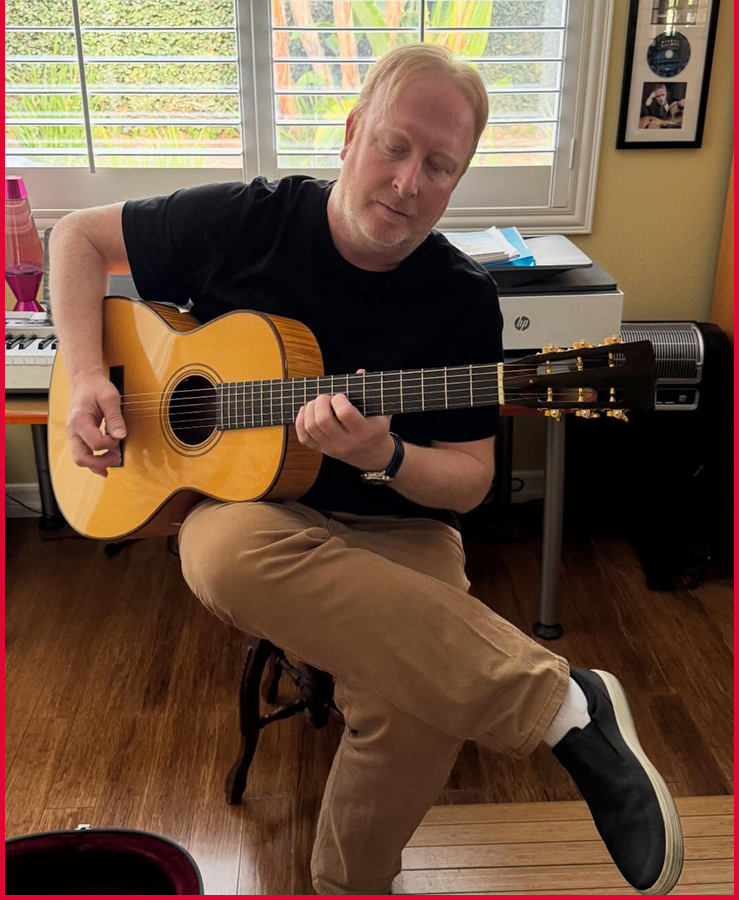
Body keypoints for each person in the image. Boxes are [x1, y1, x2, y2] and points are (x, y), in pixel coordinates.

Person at [49, 45, 683, 895]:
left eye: (439, 166)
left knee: (415, 712)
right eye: (393, 146)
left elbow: (468, 481)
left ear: (457, 180)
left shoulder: (460, 297)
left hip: (400, 526)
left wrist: (383, 455)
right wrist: (89, 373)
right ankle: (566, 705)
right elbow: (77, 236)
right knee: (221, 554)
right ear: (350, 135)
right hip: (258, 517)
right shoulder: (250, 220)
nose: (408, 182)